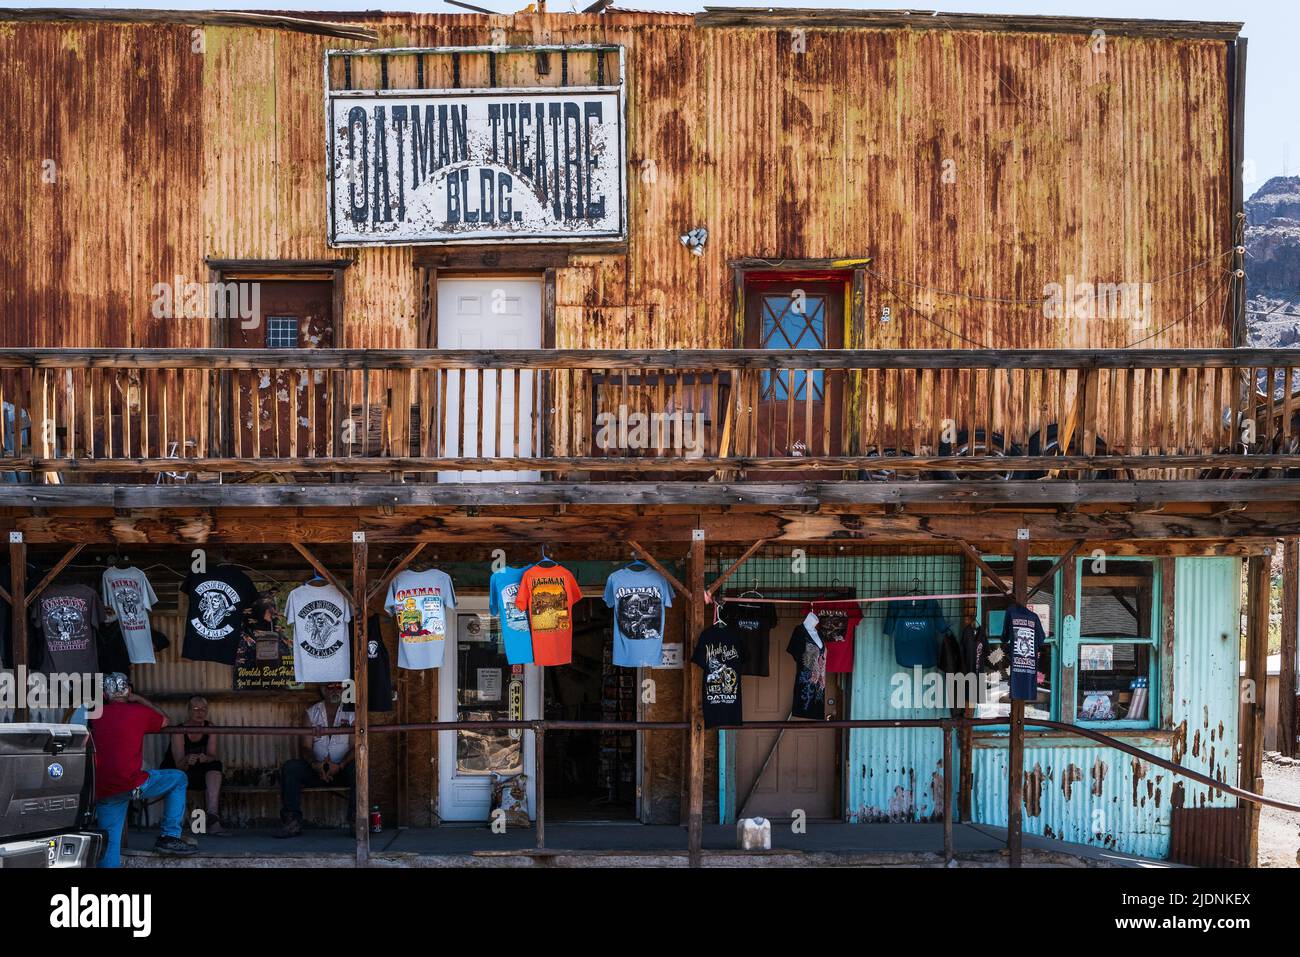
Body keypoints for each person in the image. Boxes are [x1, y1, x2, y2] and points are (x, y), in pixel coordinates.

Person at [90, 673, 197, 865]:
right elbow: (166, 720)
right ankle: (169, 836)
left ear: (105, 695)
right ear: (128, 691)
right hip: (131, 783)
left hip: (103, 789)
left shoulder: (95, 715)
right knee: (179, 778)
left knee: (110, 845)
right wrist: (138, 698)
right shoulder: (138, 711)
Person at [276, 682, 355, 838]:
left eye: (338, 687)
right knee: (290, 768)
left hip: (341, 770)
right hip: (316, 770)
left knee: (360, 768)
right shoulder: (311, 713)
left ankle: (356, 820)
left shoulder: (351, 713)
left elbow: (356, 747)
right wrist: (316, 765)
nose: (334, 691)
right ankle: (292, 821)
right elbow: (305, 747)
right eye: (330, 687)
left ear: (344, 689)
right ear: (322, 690)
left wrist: (340, 765)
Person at [161, 695, 225, 835]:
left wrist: (205, 758)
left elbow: (212, 755)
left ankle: (213, 818)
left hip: (198, 771)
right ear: (189, 711)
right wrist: (187, 760)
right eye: (195, 709)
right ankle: (176, 827)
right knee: (179, 777)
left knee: (215, 766)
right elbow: (178, 764)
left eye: (203, 709)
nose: (200, 712)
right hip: (178, 771)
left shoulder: (210, 727)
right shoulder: (179, 731)